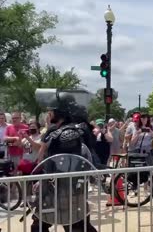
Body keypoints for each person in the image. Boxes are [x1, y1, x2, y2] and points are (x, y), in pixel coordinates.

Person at [32, 89, 97, 232]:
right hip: (75, 189)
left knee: (43, 225)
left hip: (55, 189)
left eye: (52, 111)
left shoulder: (56, 132)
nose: (49, 113)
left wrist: (40, 180)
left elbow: (49, 161)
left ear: (59, 112)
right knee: (78, 225)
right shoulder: (81, 129)